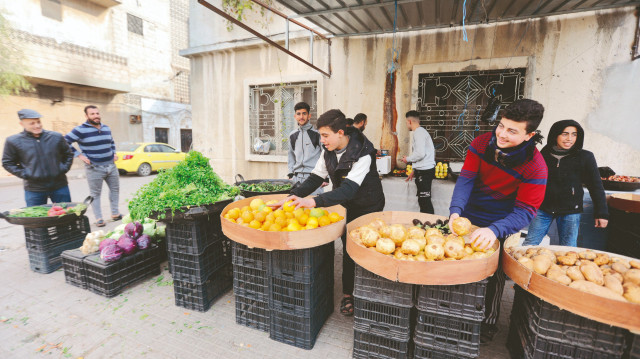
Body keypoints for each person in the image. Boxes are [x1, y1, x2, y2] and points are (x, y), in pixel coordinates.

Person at [448, 99, 548, 343]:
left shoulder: (536, 167)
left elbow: (526, 211)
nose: (501, 134)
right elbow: (466, 179)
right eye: (501, 126)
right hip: (469, 215)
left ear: (529, 135)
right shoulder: (481, 144)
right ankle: (453, 312)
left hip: (503, 222)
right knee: (455, 264)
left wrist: (495, 230)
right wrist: (455, 211)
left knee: (494, 274)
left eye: (512, 131)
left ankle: (488, 323)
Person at [272, 109, 385, 316]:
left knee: (368, 247)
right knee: (349, 247)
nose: (321, 140)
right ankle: (348, 294)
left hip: (369, 205)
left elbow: (349, 189)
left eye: (325, 135)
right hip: (346, 204)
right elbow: (316, 177)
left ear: (340, 132)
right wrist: (292, 197)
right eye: (321, 135)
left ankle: (372, 290)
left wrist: (313, 201)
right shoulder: (328, 151)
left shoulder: (363, 153)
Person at [523, 120, 608, 247]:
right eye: (564, 134)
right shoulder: (543, 154)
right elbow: (532, 181)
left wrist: (602, 213)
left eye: (574, 134)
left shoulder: (585, 157)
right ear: (555, 135)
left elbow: (596, 187)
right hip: (543, 208)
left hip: (570, 211)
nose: (570, 138)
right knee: (529, 244)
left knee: (568, 248)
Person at [2, 109, 74, 206]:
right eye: (32, 123)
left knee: (65, 216)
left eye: (38, 122)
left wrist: (62, 168)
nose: (37, 126)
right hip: (34, 189)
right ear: (22, 124)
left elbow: (68, 154)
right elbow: (7, 162)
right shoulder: (13, 141)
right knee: (36, 219)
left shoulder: (55, 137)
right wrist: (26, 174)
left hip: (59, 186)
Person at [65, 105, 121, 227]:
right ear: (86, 116)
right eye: (92, 114)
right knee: (95, 194)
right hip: (94, 168)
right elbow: (64, 141)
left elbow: (111, 142)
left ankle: (115, 213)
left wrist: (114, 153)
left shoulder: (106, 128)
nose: (96, 116)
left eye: (97, 113)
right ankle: (99, 218)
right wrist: (79, 155)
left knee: (115, 190)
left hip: (111, 166)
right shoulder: (80, 130)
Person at [402, 111, 436, 214]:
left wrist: (407, 159)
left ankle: (429, 226)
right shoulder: (421, 132)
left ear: (410, 121)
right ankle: (426, 225)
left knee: (425, 201)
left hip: (425, 172)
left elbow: (420, 154)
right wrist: (414, 170)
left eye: (406, 123)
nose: (406, 125)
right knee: (423, 200)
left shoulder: (418, 133)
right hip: (423, 171)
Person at [287, 102, 324, 195]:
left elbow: (325, 155)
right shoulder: (292, 135)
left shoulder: (317, 134)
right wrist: (291, 174)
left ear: (309, 116)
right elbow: (291, 155)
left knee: (314, 207)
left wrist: (325, 177)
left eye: (304, 113)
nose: (301, 116)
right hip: (296, 179)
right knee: (296, 207)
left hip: (314, 178)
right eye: (298, 114)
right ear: (295, 116)